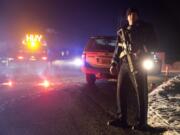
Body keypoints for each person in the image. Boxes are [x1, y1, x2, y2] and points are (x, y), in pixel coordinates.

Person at [107, 7, 157, 130]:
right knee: (121, 91)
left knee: (141, 93)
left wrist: (142, 50)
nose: (132, 17)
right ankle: (122, 119)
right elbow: (117, 49)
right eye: (130, 15)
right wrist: (113, 63)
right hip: (124, 64)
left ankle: (142, 123)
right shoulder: (122, 31)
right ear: (127, 17)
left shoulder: (146, 28)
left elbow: (154, 44)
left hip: (139, 64)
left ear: (138, 16)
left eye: (135, 14)